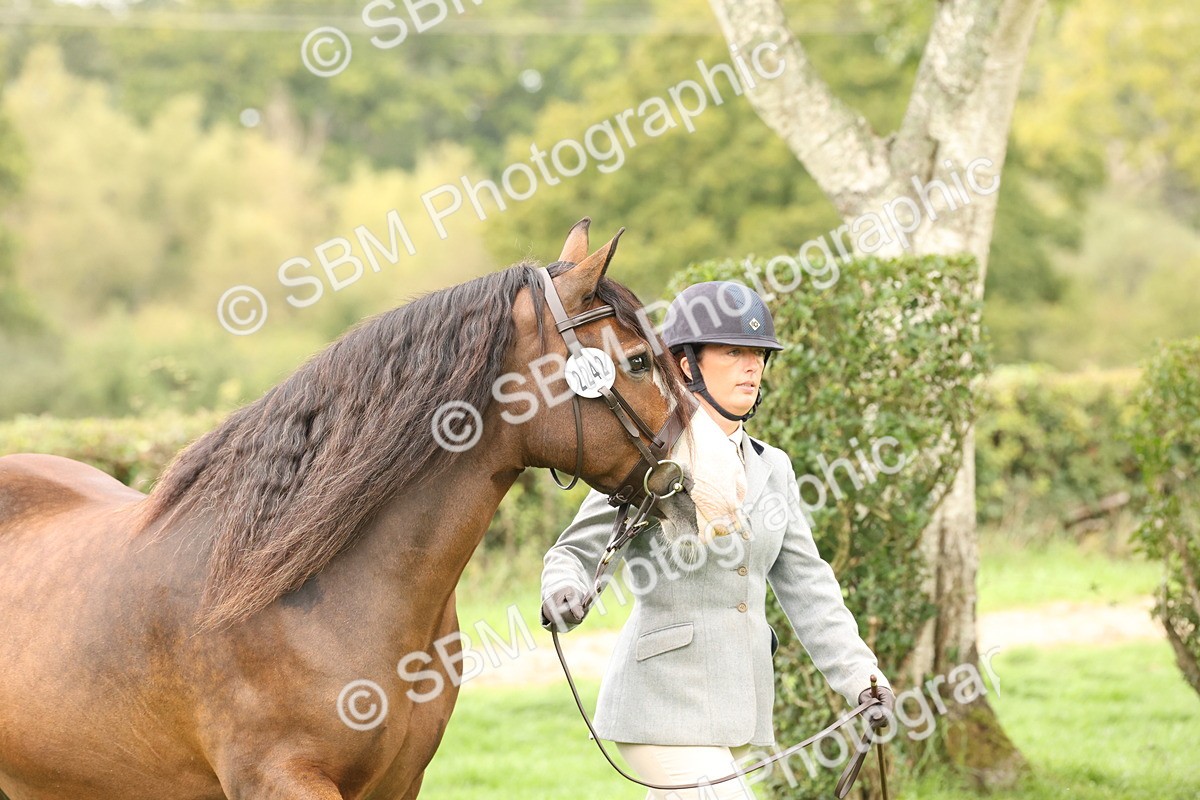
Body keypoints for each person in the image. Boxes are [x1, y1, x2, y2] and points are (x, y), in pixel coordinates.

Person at [540, 281, 895, 799]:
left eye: (759, 354)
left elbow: (809, 587)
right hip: (661, 701)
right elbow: (574, 551)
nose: (753, 366)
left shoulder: (774, 468)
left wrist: (864, 679)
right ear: (687, 364)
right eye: (735, 352)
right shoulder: (651, 458)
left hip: (737, 707)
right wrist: (563, 589)